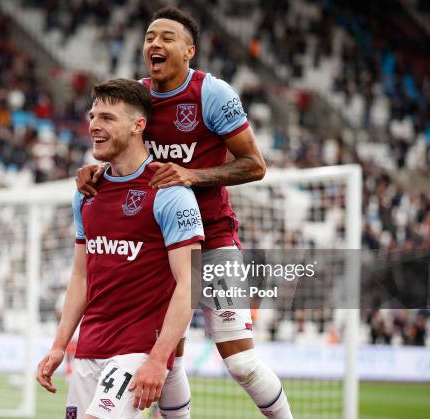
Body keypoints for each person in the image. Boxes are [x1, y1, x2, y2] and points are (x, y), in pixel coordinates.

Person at [76, 6, 293, 419]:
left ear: (189, 51)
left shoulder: (212, 94)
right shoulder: (135, 98)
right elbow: (126, 153)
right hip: (159, 247)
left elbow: (255, 165)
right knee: (166, 356)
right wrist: (97, 170)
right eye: (149, 37)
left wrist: (192, 175)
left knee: (241, 363)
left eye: (166, 37)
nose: (154, 43)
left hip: (212, 238)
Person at [37, 78, 204, 419]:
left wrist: (159, 358)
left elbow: (191, 281)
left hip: (139, 346)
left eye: (107, 118)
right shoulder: (87, 193)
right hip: (90, 345)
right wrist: (58, 346)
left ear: (137, 125)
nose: (94, 126)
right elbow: (81, 275)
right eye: (92, 116)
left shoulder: (169, 192)